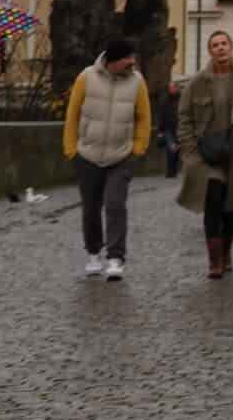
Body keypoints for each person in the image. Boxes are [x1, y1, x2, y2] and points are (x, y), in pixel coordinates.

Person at [176, 30, 233, 280]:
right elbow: (184, 118)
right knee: (213, 202)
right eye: (215, 45)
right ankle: (214, 260)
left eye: (224, 43)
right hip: (207, 156)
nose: (220, 48)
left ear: (231, 46)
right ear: (210, 50)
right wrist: (190, 151)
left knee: (230, 207)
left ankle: (226, 252)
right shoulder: (198, 83)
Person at [61, 36, 151, 281]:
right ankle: (93, 253)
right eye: (127, 57)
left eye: (133, 57)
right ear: (113, 60)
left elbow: (144, 117)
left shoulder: (137, 82)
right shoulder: (86, 77)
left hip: (121, 155)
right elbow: (72, 114)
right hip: (87, 154)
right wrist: (71, 149)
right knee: (90, 208)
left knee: (115, 205)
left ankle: (115, 257)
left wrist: (139, 148)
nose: (132, 62)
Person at [158, 79, 182, 180]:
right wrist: (160, 131)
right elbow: (161, 116)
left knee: (176, 150)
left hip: (179, 128)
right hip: (168, 129)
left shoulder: (182, 99)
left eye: (173, 87)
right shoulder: (165, 100)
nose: (171, 89)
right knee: (171, 150)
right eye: (170, 88)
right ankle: (170, 172)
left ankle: (173, 171)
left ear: (177, 88)